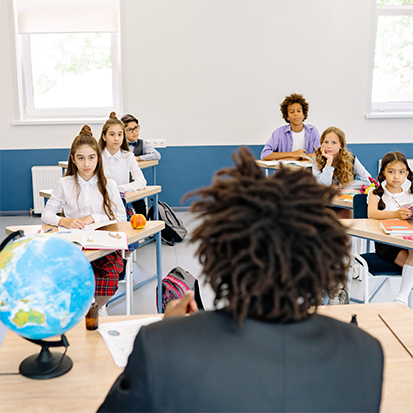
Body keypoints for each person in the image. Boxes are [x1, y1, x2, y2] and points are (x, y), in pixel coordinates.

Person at [98, 147, 383, 413]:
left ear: (218, 254)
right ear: (323, 257)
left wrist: (173, 333)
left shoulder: (160, 345)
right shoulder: (366, 352)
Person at [42, 125, 127, 313]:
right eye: (81, 158)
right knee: (67, 274)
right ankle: (82, 307)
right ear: (73, 159)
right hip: (74, 244)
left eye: (91, 158)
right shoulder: (64, 184)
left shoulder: (109, 184)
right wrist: (65, 221)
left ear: (98, 158)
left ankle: (96, 307)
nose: (86, 164)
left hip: (104, 244)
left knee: (111, 273)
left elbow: (121, 216)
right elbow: (46, 214)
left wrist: (93, 218)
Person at [368, 151, 413, 306]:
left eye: (401, 172)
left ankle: (401, 298)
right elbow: (372, 213)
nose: (396, 177)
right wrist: (395, 214)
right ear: (383, 173)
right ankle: (402, 299)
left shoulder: (409, 195)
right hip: (387, 244)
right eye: (391, 172)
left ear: (407, 173)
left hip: (407, 239)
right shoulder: (376, 193)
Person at [260, 93, 320, 161]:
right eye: (292, 112)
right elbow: (265, 155)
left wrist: (300, 157)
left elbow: (321, 154)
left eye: (299, 111)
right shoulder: (279, 132)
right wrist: (292, 154)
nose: (296, 114)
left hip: (307, 170)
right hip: (285, 170)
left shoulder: (312, 131)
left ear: (303, 114)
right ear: (287, 117)